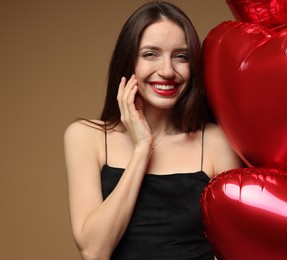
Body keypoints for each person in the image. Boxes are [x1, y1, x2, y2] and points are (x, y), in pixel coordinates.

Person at [64, 1, 242, 259]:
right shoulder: (85, 137)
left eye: (181, 56)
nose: (167, 71)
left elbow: (231, 250)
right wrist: (141, 149)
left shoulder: (216, 142)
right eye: (150, 54)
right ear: (128, 62)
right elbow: (94, 251)